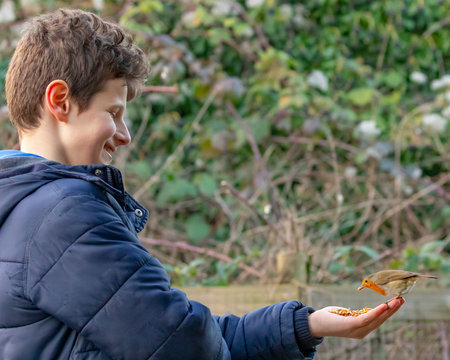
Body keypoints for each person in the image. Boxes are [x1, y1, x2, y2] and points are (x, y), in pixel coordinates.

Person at [0, 8, 404, 360]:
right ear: (60, 101)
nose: (124, 134)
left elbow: (173, 331)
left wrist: (308, 325)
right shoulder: (64, 215)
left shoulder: (17, 208)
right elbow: (188, 346)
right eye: (113, 112)